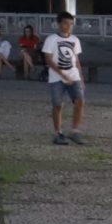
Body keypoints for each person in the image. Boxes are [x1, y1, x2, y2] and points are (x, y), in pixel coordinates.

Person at [42, 11, 86, 146]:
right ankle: (58, 133)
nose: (68, 26)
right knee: (57, 104)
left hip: (73, 75)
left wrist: (81, 78)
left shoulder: (75, 40)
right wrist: (62, 74)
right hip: (56, 77)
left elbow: (76, 60)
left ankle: (75, 130)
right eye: (66, 23)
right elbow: (48, 60)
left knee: (80, 101)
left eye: (71, 24)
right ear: (59, 24)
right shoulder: (51, 39)